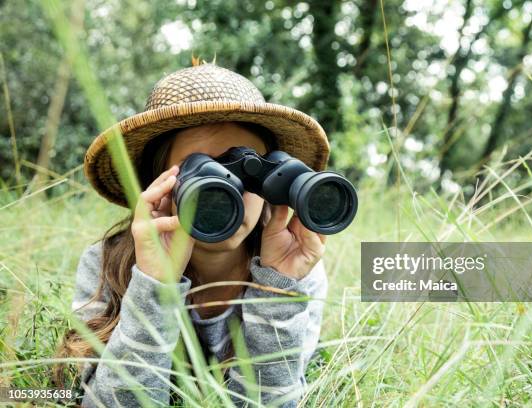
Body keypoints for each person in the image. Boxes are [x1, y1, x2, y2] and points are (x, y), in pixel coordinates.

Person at [56, 62, 332, 407]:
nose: (230, 194)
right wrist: (155, 285)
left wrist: (276, 289)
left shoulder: (294, 269)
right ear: (160, 188)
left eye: (252, 175)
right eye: (203, 174)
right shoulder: (105, 262)